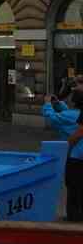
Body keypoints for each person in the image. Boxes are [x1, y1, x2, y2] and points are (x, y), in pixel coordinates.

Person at [43, 91, 83, 222]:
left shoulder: (69, 116)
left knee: (73, 187)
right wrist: (58, 104)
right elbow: (67, 113)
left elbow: (51, 118)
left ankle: (74, 218)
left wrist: (48, 104)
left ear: (73, 102)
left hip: (75, 157)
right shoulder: (76, 115)